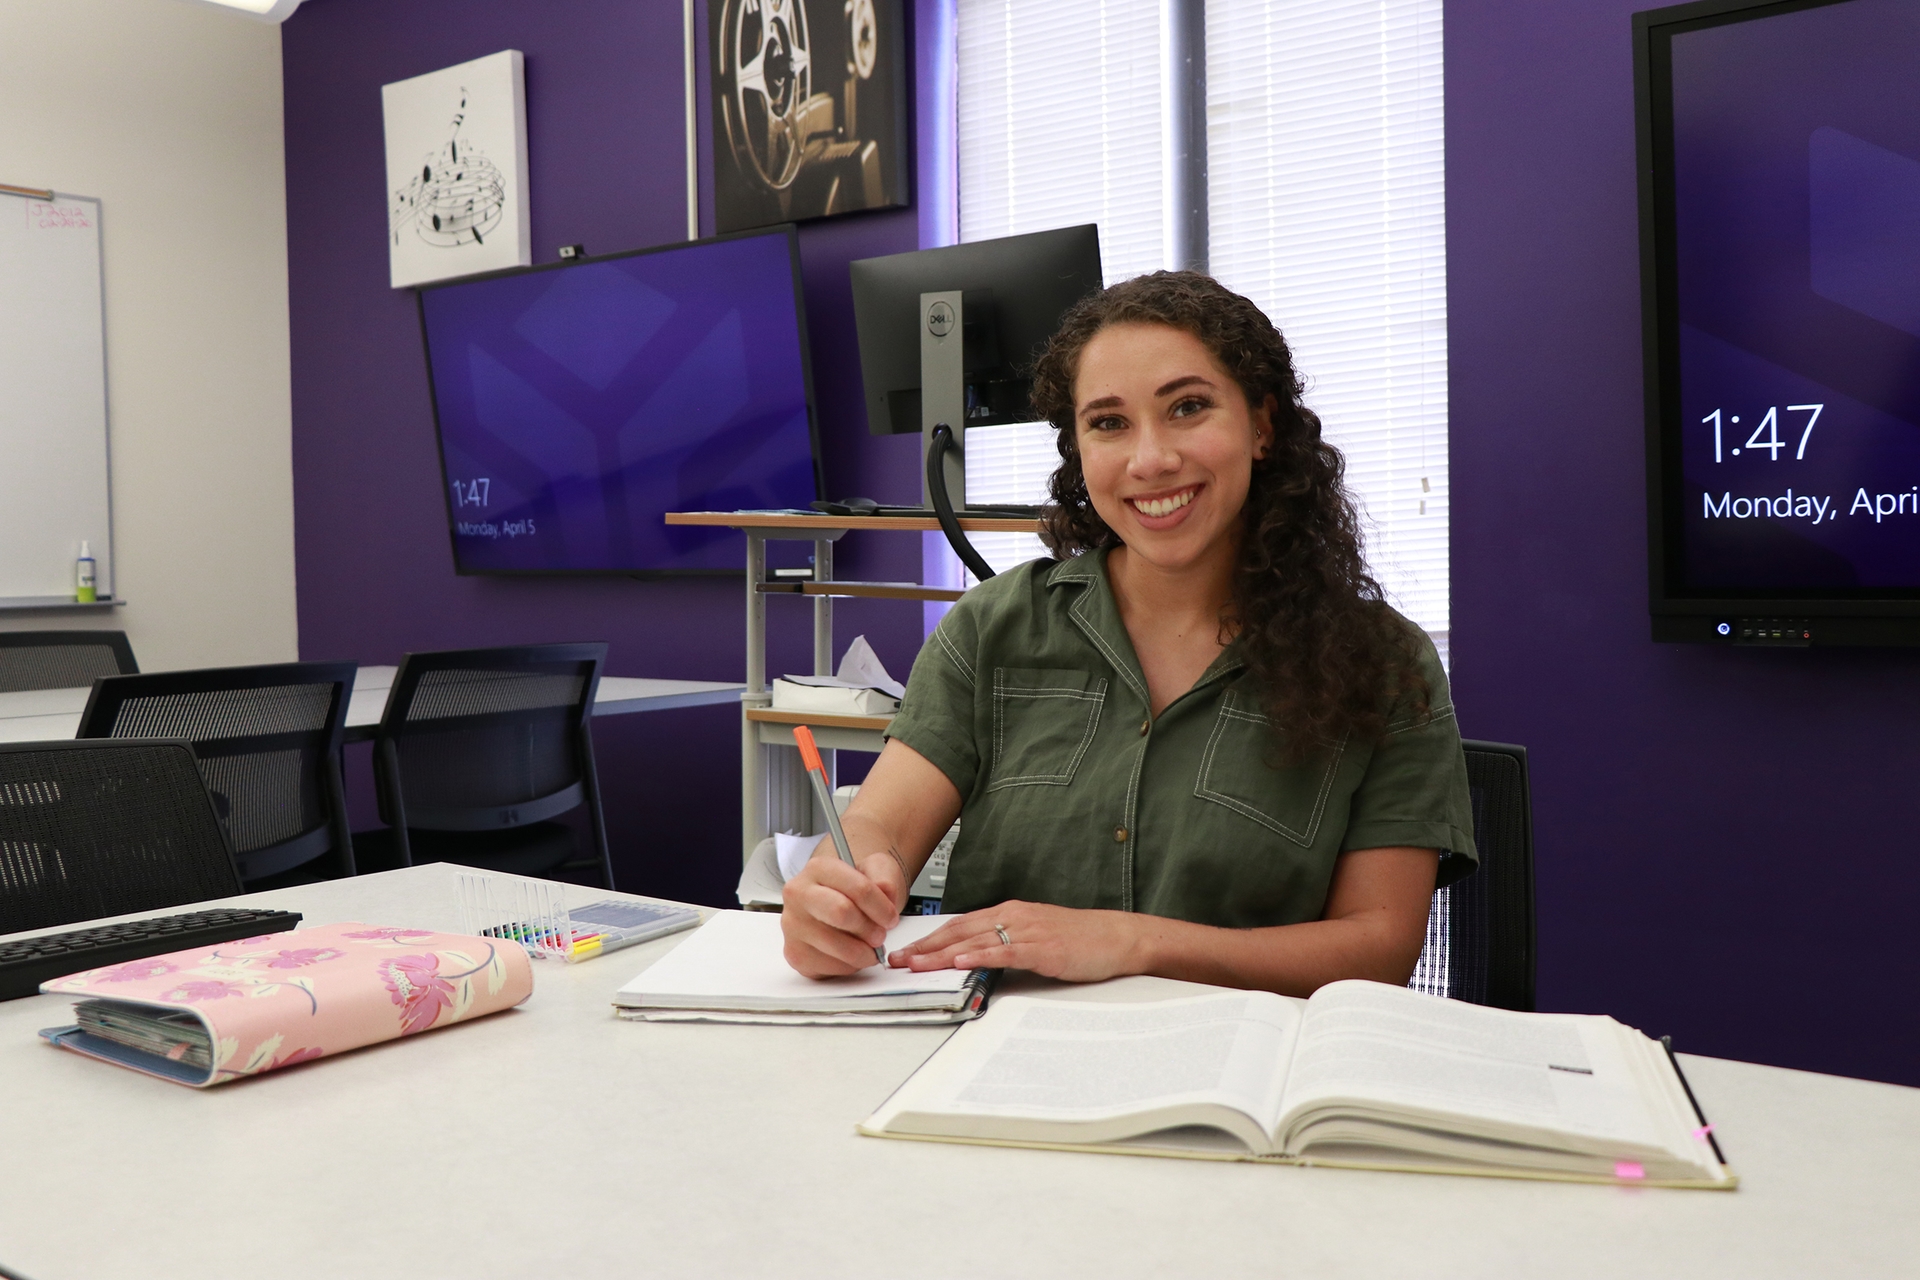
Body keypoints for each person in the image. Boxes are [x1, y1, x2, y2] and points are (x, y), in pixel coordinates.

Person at [781, 271, 1474, 997]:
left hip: (1239, 1077)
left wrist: (1131, 941)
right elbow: (880, 829)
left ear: (1262, 425)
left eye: (1188, 408)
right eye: (1108, 423)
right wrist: (841, 889)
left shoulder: (1385, 664)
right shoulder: (993, 627)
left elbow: (1379, 949)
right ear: (1079, 448)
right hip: (995, 1063)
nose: (1150, 460)